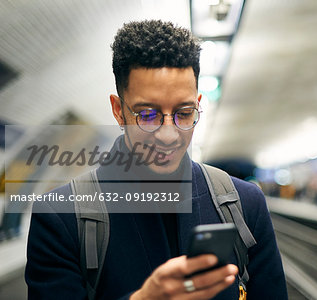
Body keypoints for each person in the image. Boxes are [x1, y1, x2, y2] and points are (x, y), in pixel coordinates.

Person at [25, 20, 287, 300]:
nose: (168, 135)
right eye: (147, 115)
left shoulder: (244, 204)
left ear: (198, 104)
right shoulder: (62, 216)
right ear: (118, 110)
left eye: (184, 113)